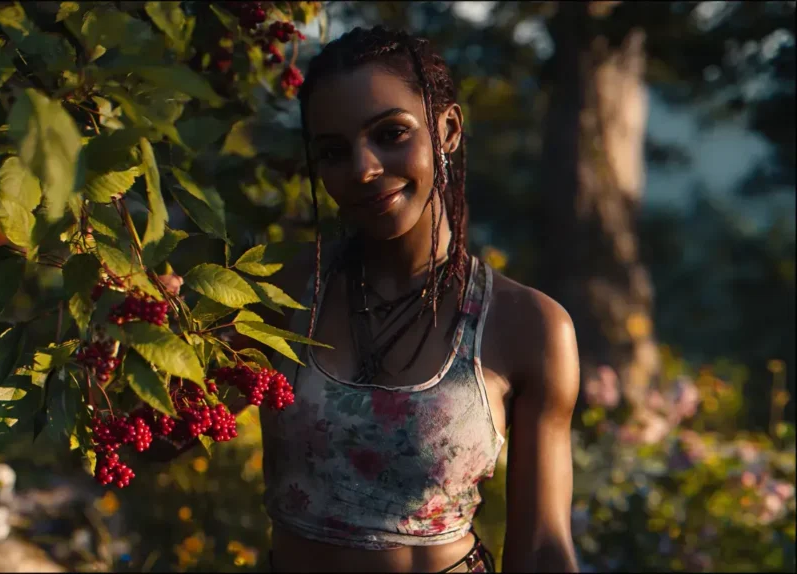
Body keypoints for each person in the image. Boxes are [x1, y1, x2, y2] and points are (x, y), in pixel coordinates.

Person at [152, 25, 580, 573]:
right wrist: (147, 340)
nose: (363, 169)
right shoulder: (280, 292)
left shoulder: (527, 327)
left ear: (448, 129)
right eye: (334, 152)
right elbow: (157, 441)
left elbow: (542, 549)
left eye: (391, 133)